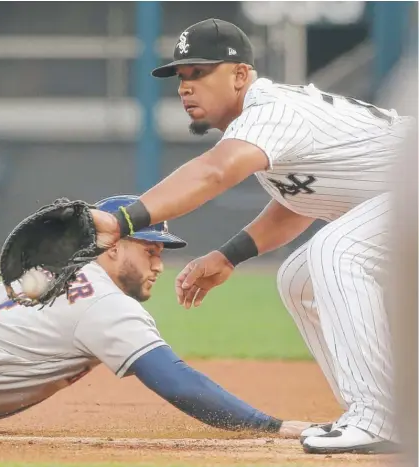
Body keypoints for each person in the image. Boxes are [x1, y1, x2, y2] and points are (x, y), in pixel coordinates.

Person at [84, 19, 413, 454]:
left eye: (199, 73)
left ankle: (380, 417)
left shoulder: (271, 110)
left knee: (338, 252)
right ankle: (378, 412)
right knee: (300, 280)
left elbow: (213, 172)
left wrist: (123, 220)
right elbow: (300, 202)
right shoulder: (264, 124)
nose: (186, 87)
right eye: (182, 77)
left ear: (240, 75)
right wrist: (229, 254)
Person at [0, 194, 310, 438]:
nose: (159, 265)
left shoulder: (51, 273)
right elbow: (177, 382)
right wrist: (268, 426)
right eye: (149, 251)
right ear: (110, 247)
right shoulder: (106, 304)